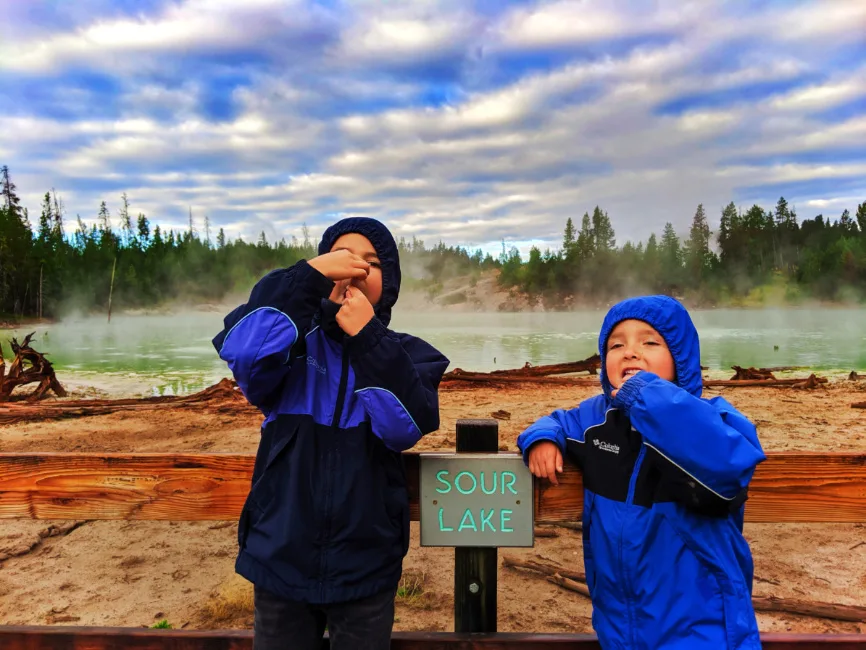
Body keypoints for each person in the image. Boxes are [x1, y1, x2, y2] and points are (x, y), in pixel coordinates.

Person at [213, 217, 449, 649]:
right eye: (342, 257)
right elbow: (245, 352)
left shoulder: (410, 355)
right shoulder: (292, 345)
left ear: (389, 283)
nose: (356, 267)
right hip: (278, 554)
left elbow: (404, 426)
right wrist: (306, 279)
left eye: (372, 262)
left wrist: (366, 337)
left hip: (367, 564)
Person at [517, 295, 766, 649]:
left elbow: (726, 465)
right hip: (620, 622)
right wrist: (543, 439)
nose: (630, 352)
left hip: (702, 622)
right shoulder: (598, 419)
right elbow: (557, 420)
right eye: (617, 345)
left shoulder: (713, 417)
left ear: (681, 358)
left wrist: (645, 396)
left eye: (649, 342)